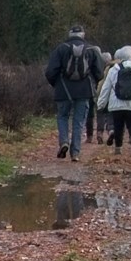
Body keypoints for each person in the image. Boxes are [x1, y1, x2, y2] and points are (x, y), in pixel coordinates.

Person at [42, 24, 105, 160]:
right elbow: (99, 73)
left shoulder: (60, 49)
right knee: (79, 122)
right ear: (83, 34)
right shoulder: (91, 50)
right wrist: (92, 83)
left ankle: (64, 141)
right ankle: (75, 152)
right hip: (84, 91)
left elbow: (50, 72)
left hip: (63, 91)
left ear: (69, 34)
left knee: (62, 117)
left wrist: (57, 84)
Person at [99, 44, 131, 151]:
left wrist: (101, 104)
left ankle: (118, 147)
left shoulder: (114, 69)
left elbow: (106, 88)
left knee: (118, 125)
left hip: (116, 103)